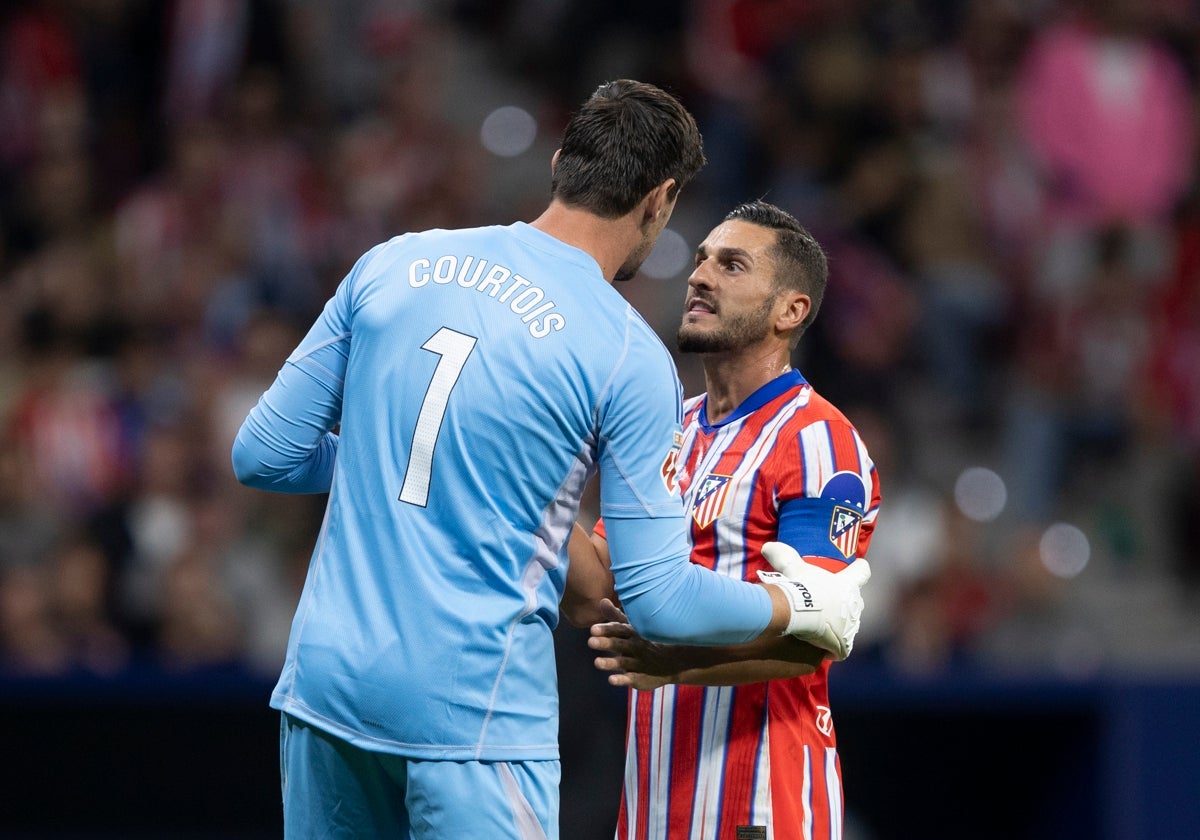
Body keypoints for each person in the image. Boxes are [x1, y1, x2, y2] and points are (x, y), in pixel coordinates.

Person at [230, 81, 868, 840]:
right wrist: (798, 606)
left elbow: (264, 454)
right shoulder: (626, 352)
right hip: (473, 717)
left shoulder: (393, 263)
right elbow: (657, 597)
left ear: (561, 163)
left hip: (326, 686)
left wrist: (408, 464)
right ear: (661, 203)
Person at [571, 200, 882, 840]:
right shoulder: (665, 429)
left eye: (732, 265)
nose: (700, 276)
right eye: (702, 260)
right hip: (652, 799)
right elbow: (597, 593)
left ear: (790, 310)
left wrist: (677, 663)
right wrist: (525, 493)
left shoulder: (820, 443)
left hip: (760, 799)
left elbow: (814, 636)